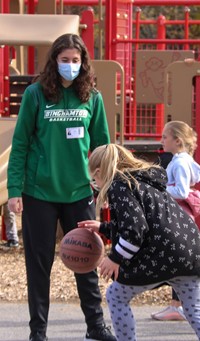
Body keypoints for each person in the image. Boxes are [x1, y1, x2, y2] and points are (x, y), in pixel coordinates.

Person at [7, 33, 116, 341]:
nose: (70, 65)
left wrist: (106, 186)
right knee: (38, 267)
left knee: (86, 261)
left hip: (79, 193)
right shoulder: (35, 95)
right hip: (39, 193)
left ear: (83, 64)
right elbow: (20, 145)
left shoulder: (92, 97)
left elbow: (101, 147)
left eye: (75, 60)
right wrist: (15, 190)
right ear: (54, 61)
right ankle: (37, 332)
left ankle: (95, 326)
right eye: (65, 60)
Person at [78, 143, 200, 341]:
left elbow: (135, 231)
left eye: (94, 178)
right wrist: (103, 228)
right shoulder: (145, 182)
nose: (95, 183)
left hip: (162, 255)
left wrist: (115, 259)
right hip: (190, 253)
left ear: (99, 172)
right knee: (194, 310)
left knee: (116, 297)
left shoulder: (118, 186)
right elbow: (145, 223)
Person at [151, 120, 200, 321]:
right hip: (180, 218)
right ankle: (178, 305)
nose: (162, 140)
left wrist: (158, 189)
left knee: (175, 261)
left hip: (178, 219)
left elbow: (181, 190)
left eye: (165, 137)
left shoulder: (179, 162)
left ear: (177, 140)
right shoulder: (183, 160)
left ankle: (180, 306)